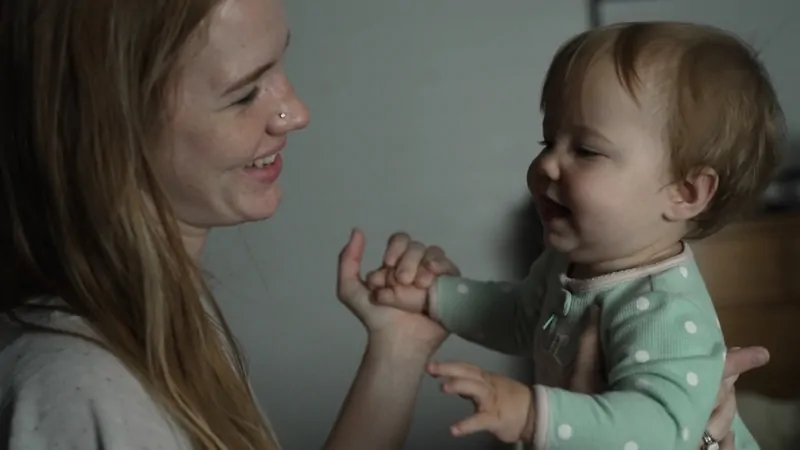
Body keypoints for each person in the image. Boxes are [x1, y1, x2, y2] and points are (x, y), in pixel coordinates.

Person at [0, 0, 769, 449]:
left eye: (588, 150)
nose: (296, 112)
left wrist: (524, 404)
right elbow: (512, 312)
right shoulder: (74, 391)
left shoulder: (660, 305)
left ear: (686, 193)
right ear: (108, 128)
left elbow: (660, 421)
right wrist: (441, 301)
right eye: (243, 93)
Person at [364, 22, 784, 450]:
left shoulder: (665, 312)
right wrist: (434, 296)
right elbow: (521, 318)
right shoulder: (569, 263)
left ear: (685, 192)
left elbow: (658, 431)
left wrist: (530, 414)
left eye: (585, 150)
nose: (547, 164)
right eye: (547, 141)